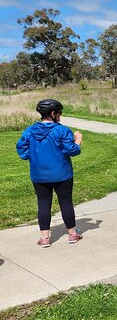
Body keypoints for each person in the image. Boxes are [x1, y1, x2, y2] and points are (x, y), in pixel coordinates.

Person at [16, 99, 83, 247]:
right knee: (65, 202)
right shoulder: (62, 130)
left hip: (39, 175)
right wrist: (78, 140)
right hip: (62, 174)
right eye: (59, 113)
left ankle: (45, 238)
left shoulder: (29, 131)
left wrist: (33, 155)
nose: (60, 115)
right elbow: (71, 150)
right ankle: (72, 234)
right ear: (53, 113)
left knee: (43, 204)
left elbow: (22, 151)